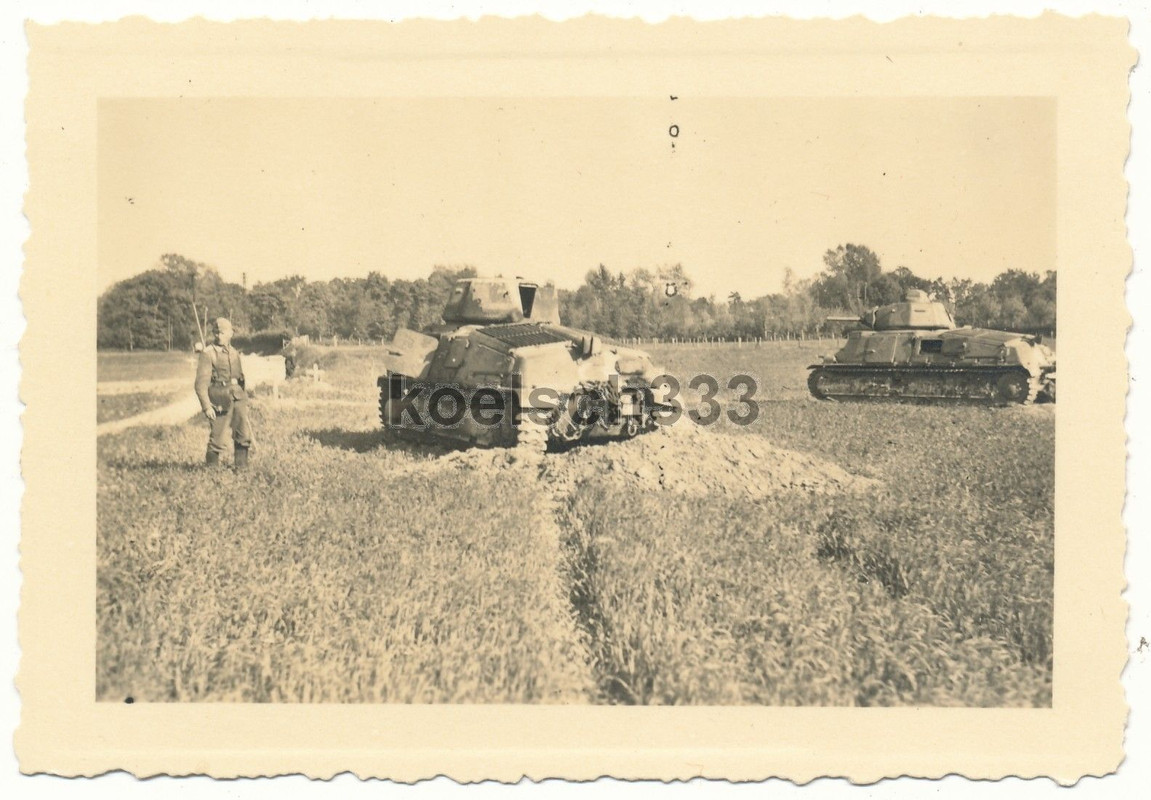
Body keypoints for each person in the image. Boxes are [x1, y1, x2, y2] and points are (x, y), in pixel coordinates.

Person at [194, 318, 253, 468]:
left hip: (238, 397)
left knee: (243, 434)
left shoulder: (234, 353)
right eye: (216, 332)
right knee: (218, 438)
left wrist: (243, 399)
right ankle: (211, 472)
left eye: (222, 332)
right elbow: (200, 384)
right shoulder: (208, 353)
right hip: (219, 399)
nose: (218, 335)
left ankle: (241, 470)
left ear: (231, 333)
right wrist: (207, 406)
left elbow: (240, 378)